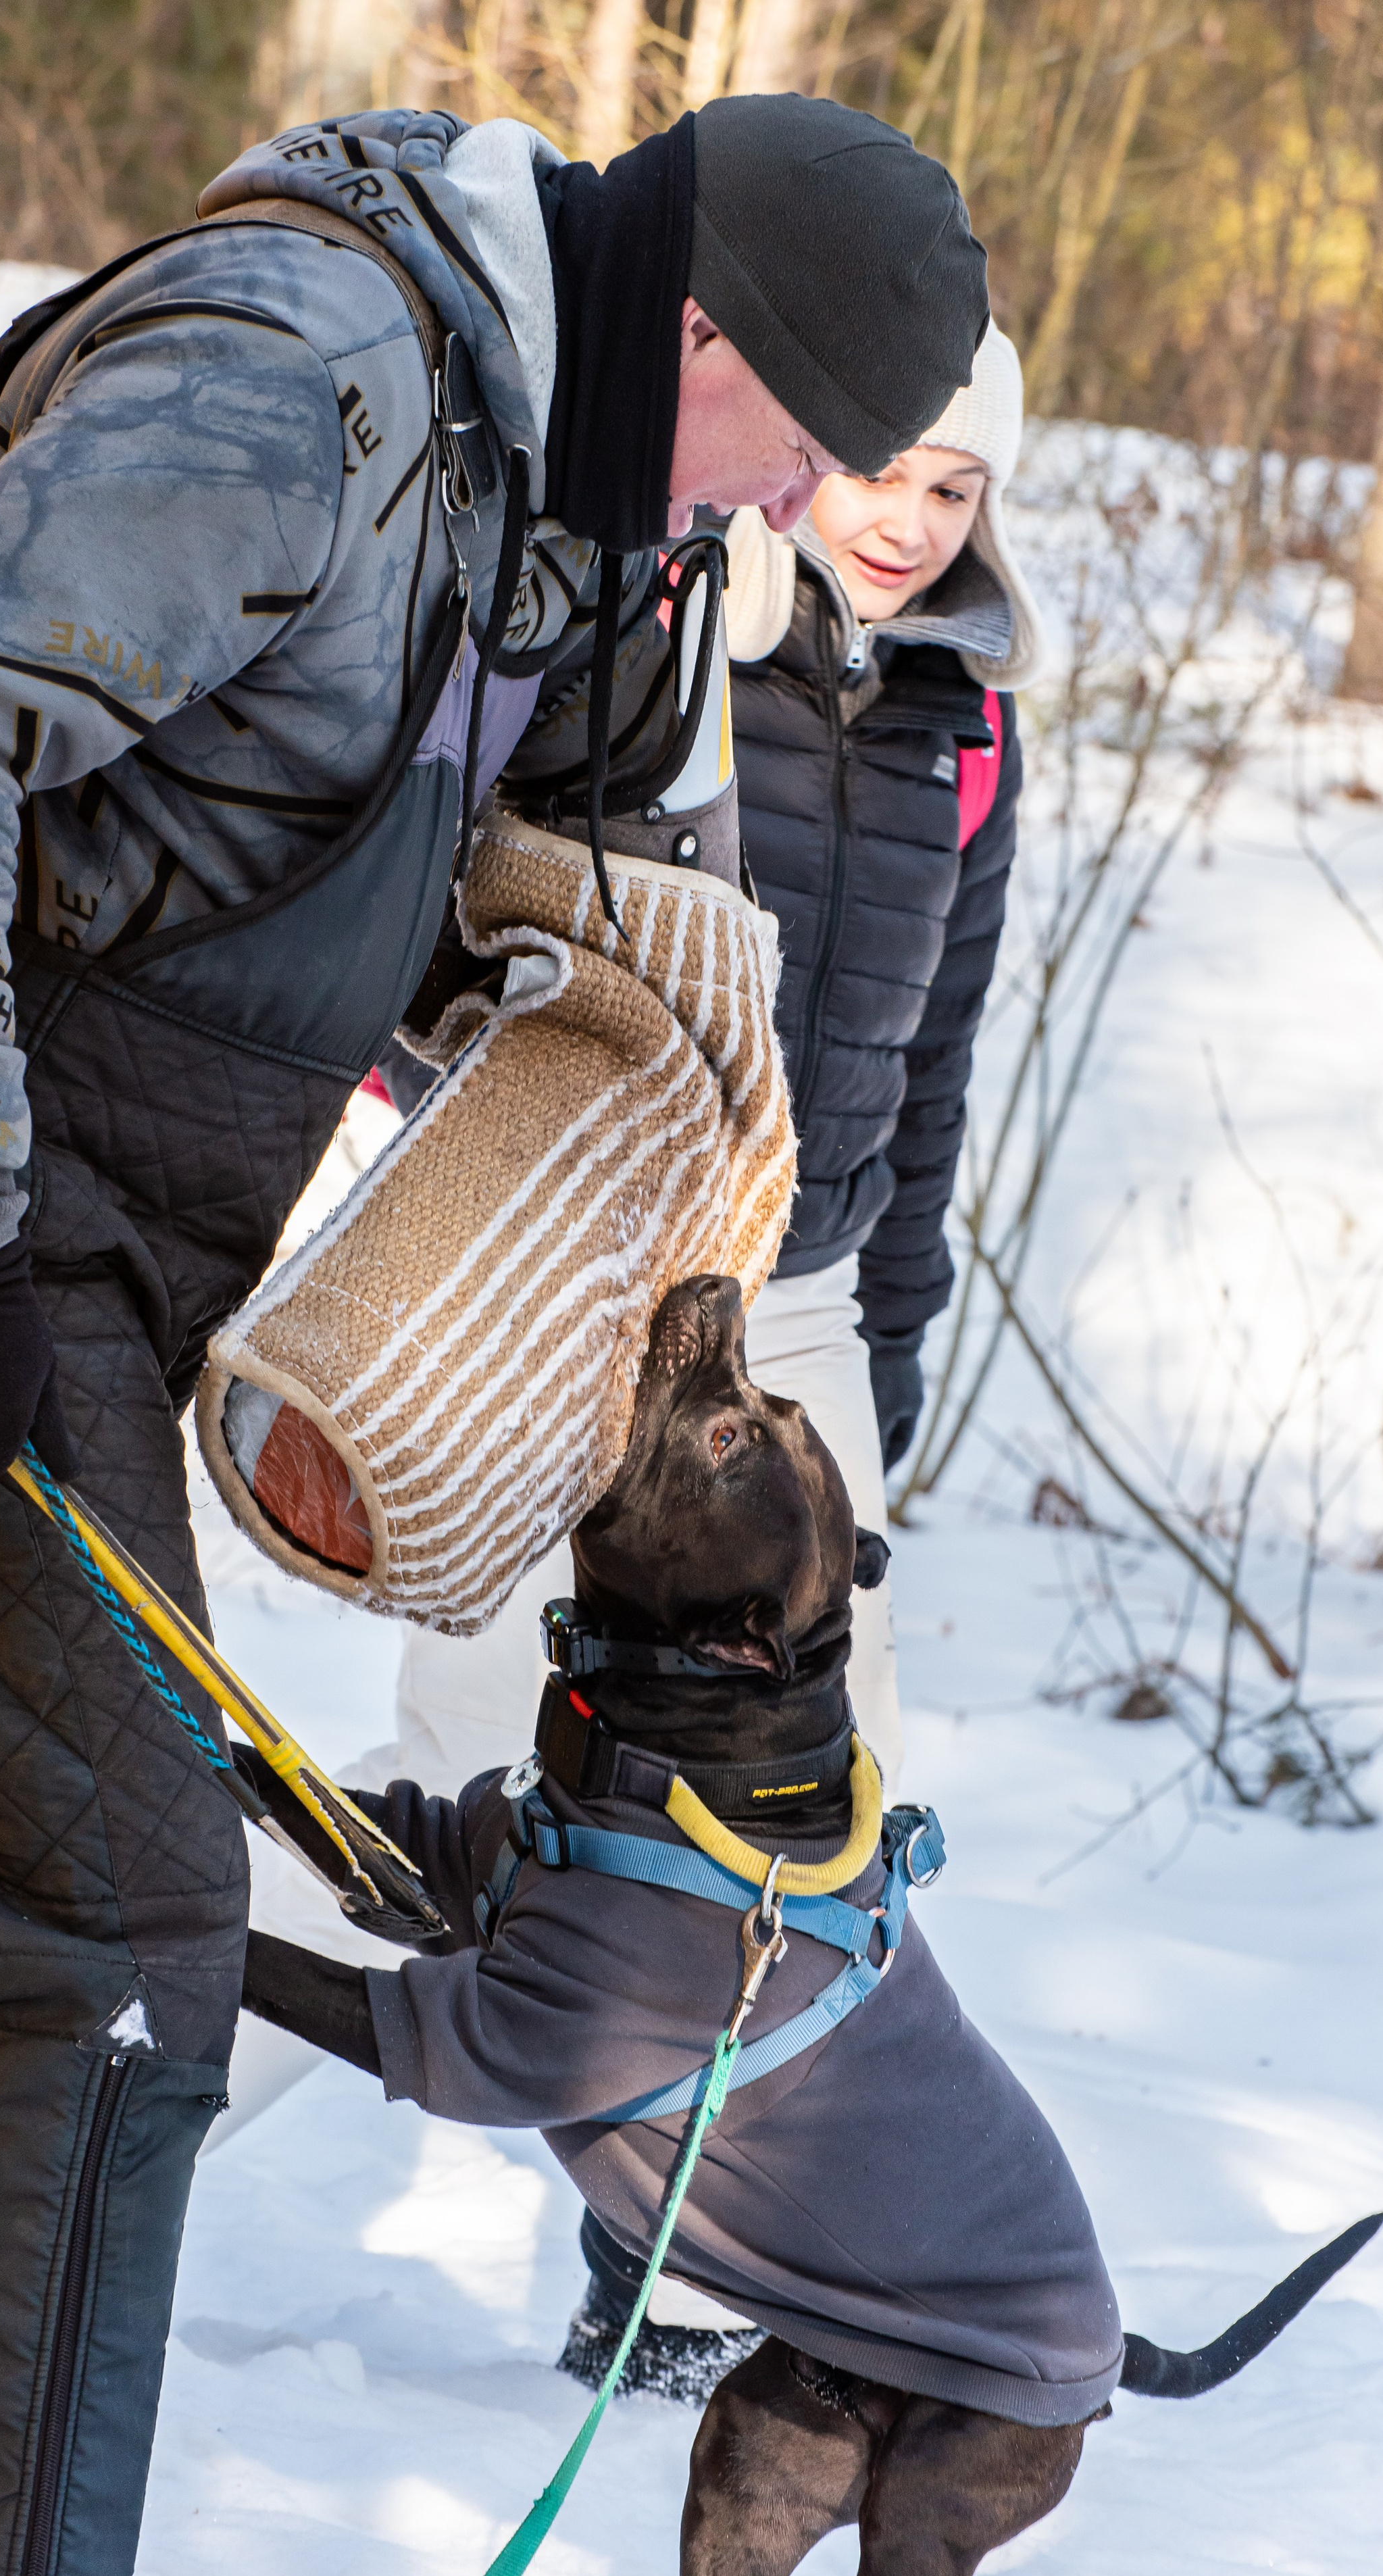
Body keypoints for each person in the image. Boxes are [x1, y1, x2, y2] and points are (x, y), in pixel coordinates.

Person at [0, 97, 987, 2576]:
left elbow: (576, 876)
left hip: (86, 1245)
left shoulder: (582, 500)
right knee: (107, 1959)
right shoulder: (299, 372)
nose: (804, 506)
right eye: (802, 441)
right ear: (700, 330)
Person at [381, 320, 1037, 1810]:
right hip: (578, 1277)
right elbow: (477, 906)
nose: (911, 524)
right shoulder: (665, 628)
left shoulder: (969, 726)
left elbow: (931, 1061)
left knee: (836, 1762)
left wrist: (892, 1335)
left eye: (955, 492)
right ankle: (277, 1948)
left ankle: (754, 1992)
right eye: (880, 471)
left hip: (797, 1302)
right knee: (484, 1750)